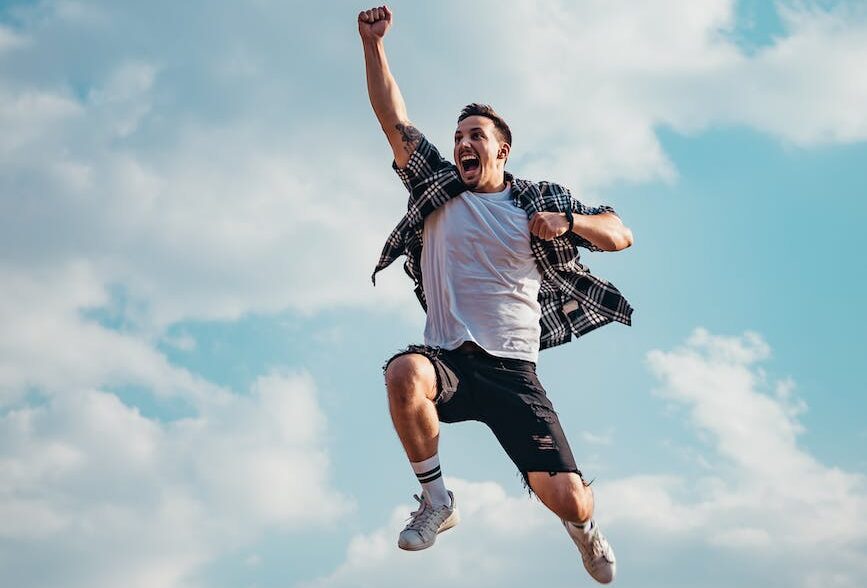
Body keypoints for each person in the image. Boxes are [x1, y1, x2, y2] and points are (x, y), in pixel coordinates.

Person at [359, 6, 634, 584]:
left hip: (514, 373)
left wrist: (569, 222)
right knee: (404, 372)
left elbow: (619, 232)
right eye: (459, 136)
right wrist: (374, 45)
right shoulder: (436, 184)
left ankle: (584, 529)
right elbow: (392, 120)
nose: (463, 143)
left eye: (475, 136)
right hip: (449, 361)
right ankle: (437, 501)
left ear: (502, 150)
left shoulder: (536, 199)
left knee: (570, 499)